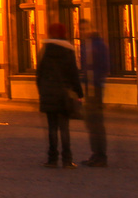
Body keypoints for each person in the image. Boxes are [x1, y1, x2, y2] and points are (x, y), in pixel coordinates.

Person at [36, 22, 83, 169]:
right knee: (64, 128)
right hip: (64, 95)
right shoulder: (68, 51)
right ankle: (67, 159)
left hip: (48, 94)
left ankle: (52, 159)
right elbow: (73, 74)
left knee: (51, 128)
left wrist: (42, 91)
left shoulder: (44, 50)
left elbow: (39, 75)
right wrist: (79, 93)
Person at [80, 23, 110, 167]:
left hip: (95, 88)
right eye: (81, 29)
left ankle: (101, 155)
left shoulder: (98, 44)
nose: (83, 31)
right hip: (89, 87)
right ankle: (95, 153)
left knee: (96, 123)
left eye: (85, 28)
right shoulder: (87, 45)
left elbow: (104, 66)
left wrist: (94, 81)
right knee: (91, 123)